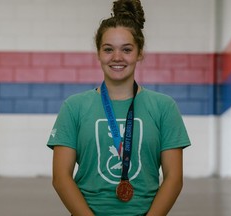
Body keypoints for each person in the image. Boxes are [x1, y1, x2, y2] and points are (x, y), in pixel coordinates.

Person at [47, 0, 191, 215]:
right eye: (108, 49)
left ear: (139, 53)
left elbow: (174, 179)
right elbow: (61, 178)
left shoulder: (163, 107)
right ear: (98, 53)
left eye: (126, 49)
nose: (117, 57)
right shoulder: (74, 107)